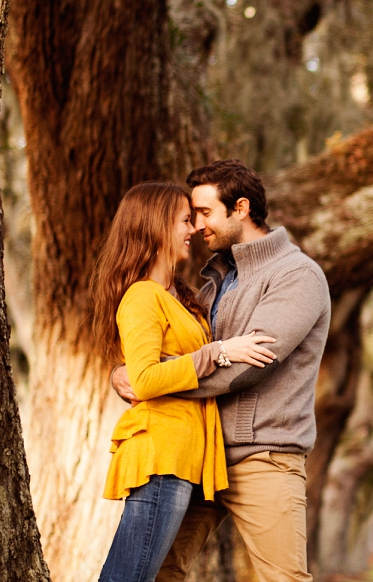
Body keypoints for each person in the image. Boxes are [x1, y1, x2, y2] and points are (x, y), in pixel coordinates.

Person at [112, 160, 331, 582]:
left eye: (205, 213)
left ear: (241, 208)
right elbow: (164, 344)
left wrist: (153, 381)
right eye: (191, 216)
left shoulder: (296, 275)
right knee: (156, 572)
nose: (196, 226)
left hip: (264, 455)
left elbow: (246, 367)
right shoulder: (214, 280)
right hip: (200, 453)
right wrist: (126, 372)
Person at [91, 181, 277, 582]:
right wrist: (219, 352)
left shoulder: (178, 296)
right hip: (163, 456)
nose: (192, 229)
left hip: (184, 456)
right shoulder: (142, 296)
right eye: (183, 220)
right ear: (156, 227)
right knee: (130, 576)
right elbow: (143, 379)